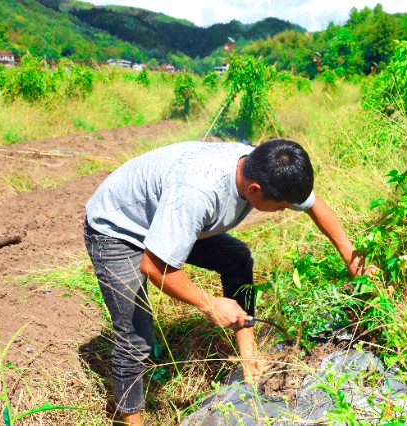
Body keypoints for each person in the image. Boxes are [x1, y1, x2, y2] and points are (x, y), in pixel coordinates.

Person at [83, 139, 374, 425]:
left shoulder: (263, 166)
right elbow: (154, 267)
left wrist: (350, 256)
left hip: (168, 218)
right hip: (119, 229)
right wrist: (210, 304)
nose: (284, 211)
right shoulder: (198, 194)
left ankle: (248, 351)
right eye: (281, 206)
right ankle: (132, 420)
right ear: (254, 190)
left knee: (237, 258)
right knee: (136, 340)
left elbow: (314, 204)